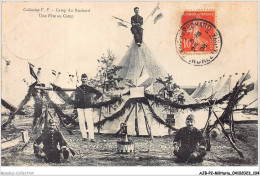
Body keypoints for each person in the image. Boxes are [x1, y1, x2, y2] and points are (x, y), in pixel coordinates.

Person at [74, 73, 102, 142]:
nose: (84, 80)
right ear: (81, 80)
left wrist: (94, 99)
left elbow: (99, 93)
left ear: (87, 80)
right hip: (80, 107)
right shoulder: (78, 89)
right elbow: (76, 99)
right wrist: (75, 108)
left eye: (85, 79)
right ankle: (84, 137)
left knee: (89, 121)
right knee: (81, 122)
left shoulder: (90, 88)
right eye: (83, 79)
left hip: (88, 107)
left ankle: (92, 137)